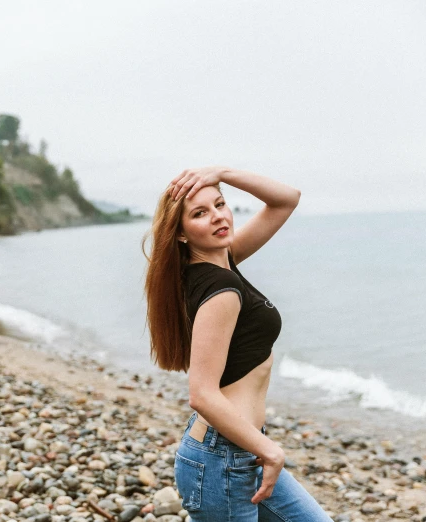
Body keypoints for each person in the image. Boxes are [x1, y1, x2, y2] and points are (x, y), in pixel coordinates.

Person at [143, 166, 333, 521]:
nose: (217, 216)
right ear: (181, 234)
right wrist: (270, 450)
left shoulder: (221, 261)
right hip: (223, 460)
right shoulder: (221, 291)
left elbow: (285, 200)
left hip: (236, 450)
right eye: (200, 213)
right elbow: (201, 392)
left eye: (220, 204)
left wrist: (222, 172)